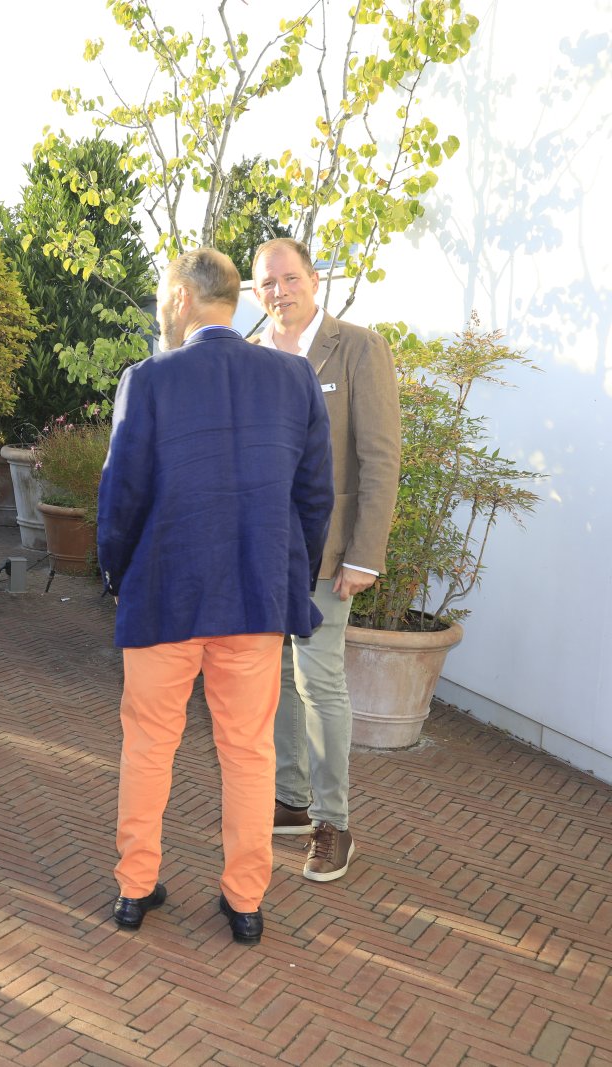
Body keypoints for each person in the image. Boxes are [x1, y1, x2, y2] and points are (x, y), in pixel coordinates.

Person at [97, 248, 333, 945]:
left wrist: (117, 576)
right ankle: (246, 899)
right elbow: (313, 497)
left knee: (148, 745)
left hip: (164, 593)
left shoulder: (148, 379)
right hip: (254, 595)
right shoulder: (294, 378)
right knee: (250, 750)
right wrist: (288, 576)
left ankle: (135, 886)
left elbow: (120, 497)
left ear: (180, 299)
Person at [253, 238, 401, 883]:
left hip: (327, 550)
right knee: (276, 677)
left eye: (289, 278)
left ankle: (333, 822)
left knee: (319, 680)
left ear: (314, 281)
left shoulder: (358, 348)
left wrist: (365, 554)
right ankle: (290, 800)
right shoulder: (253, 355)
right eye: (267, 283)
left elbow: (380, 458)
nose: (279, 291)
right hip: (264, 549)